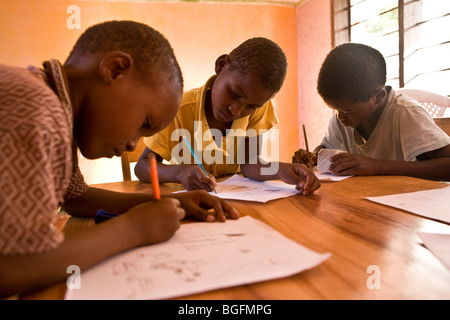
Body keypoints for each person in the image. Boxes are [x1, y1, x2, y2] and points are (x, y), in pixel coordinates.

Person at [0, 20, 238, 299]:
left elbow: (76, 197)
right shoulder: (35, 111)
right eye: (145, 122)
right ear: (114, 70)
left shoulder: (56, 112)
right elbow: (9, 269)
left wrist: (166, 203)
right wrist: (133, 230)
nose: (132, 144)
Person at [135, 37, 320, 195]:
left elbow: (250, 165)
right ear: (221, 65)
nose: (237, 110)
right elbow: (142, 166)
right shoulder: (179, 108)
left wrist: (281, 170)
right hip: (190, 202)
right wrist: (179, 172)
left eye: (251, 106)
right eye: (234, 93)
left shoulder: (260, 108)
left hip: (238, 202)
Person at [292, 43, 450, 181]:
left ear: (379, 96)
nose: (340, 117)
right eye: (336, 110)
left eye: (347, 111)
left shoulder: (405, 113)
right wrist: (313, 157)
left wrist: (377, 167)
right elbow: (326, 147)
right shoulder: (343, 119)